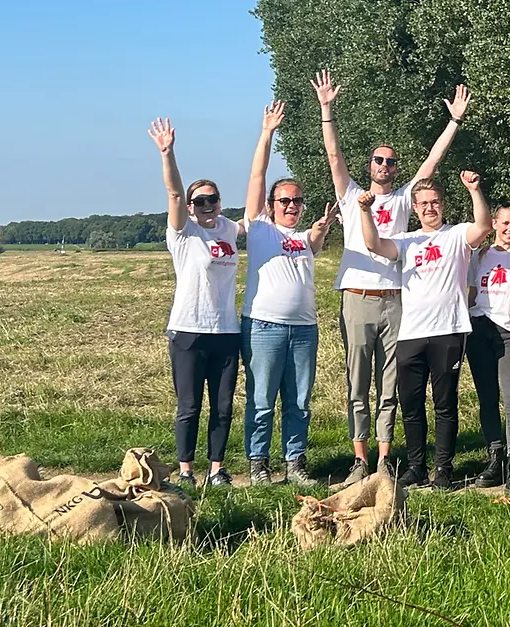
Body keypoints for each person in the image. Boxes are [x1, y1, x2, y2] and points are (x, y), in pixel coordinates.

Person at [314, 71, 471, 487]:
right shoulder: (351, 195)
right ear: (369, 166)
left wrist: (453, 122)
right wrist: (326, 109)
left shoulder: (405, 197)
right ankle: (359, 458)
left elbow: (433, 164)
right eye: (378, 160)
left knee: (390, 387)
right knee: (357, 382)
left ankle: (386, 459)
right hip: (358, 296)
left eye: (391, 161)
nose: (384, 165)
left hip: (398, 301)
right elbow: (333, 157)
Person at [352, 171, 493, 490]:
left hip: (449, 330)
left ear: (442, 205)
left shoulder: (456, 234)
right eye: (424, 203)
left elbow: (483, 225)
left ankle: (443, 468)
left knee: (445, 403)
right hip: (411, 334)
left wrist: (474, 190)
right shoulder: (406, 240)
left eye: (435, 203)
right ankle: (415, 466)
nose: (430, 208)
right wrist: (364, 211)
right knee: (411, 403)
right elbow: (373, 244)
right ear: (414, 208)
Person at [239, 100, 336, 486]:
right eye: (285, 201)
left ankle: (295, 463)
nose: (292, 206)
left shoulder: (302, 237)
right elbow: (257, 174)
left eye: (297, 201)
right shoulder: (259, 228)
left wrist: (322, 228)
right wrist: (267, 132)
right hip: (264, 327)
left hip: (304, 329)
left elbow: (313, 242)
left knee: (298, 402)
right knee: (262, 400)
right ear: (270, 206)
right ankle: (259, 464)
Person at [148, 117, 244, 488]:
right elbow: (172, 192)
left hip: (225, 332)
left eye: (212, 199)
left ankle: (217, 469)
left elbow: (260, 211)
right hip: (187, 331)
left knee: (222, 408)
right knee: (189, 407)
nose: (206, 205)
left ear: (220, 202)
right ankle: (187, 471)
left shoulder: (230, 229)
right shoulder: (183, 234)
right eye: (199, 201)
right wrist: (167, 152)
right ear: (190, 207)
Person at [466, 204, 510, 496]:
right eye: (505, 223)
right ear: (494, 223)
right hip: (481, 330)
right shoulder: (480, 255)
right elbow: (472, 292)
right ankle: (495, 455)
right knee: (487, 398)